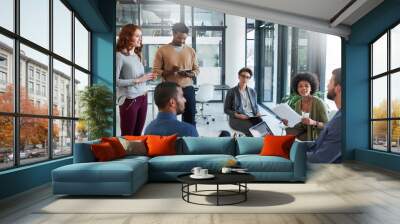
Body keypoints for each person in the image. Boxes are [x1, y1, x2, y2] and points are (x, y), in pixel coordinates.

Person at [152, 23, 200, 126]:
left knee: (190, 120)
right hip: (169, 90)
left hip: (187, 88)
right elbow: (155, 71)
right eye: (179, 38)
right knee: (168, 119)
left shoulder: (191, 51)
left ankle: (188, 140)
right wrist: (171, 71)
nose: (182, 41)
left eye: (184, 39)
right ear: (173, 33)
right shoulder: (162, 50)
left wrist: (189, 74)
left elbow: (197, 70)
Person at [116, 24, 156, 136]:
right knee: (128, 136)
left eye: (141, 36)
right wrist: (137, 80)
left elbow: (140, 77)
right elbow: (116, 81)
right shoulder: (119, 56)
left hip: (143, 98)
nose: (140, 39)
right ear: (128, 37)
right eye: (137, 36)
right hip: (130, 100)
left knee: (138, 135)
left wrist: (148, 76)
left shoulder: (137, 56)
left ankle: (137, 154)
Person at [307, 68, 342, 163]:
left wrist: (291, 155)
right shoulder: (338, 114)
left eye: (330, 82)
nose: (327, 85)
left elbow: (321, 158)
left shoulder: (341, 120)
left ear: (338, 88)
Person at [284, 73, 328, 141]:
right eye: (300, 86)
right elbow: (298, 124)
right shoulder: (298, 104)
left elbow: (327, 125)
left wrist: (313, 122)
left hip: (316, 136)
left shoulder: (319, 103)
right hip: (303, 133)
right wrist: (289, 123)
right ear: (297, 89)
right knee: (287, 131)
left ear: (311, 88)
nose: (303, 88)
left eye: (306, 86)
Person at [224, 68, 262, 136]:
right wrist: (237, 115)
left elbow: (255, 106)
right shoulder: (231, 92)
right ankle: (249, 145)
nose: (245, 79)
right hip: (237, 118)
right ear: (239, 76)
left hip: (251, 116)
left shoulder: (252, 91)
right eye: (243, 76)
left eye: (247, 77)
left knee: (262, 127)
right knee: (252, 130)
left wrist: (258, 112)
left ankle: (262, 144)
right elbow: (226, 110)